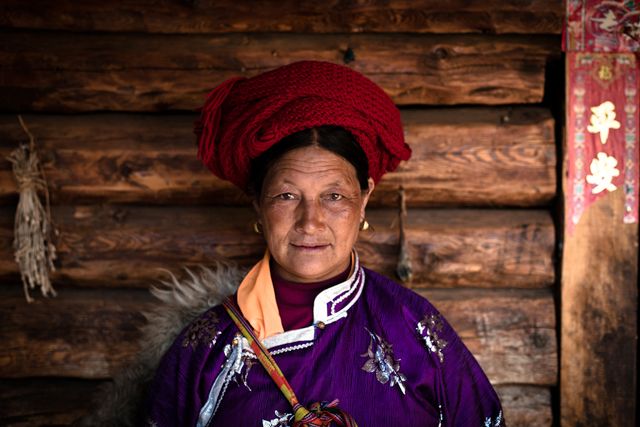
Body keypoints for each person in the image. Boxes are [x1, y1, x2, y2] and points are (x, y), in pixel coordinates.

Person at [145, 60, 504, 426]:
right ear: (258, 203)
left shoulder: (416, 330)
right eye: (286, 196)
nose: (310, 221)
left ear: (364, 199)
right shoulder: (204, 349)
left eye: (334, 196)